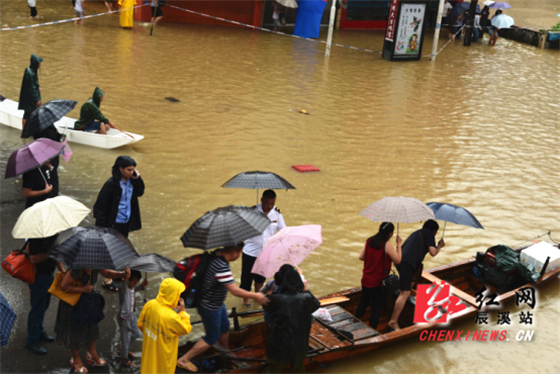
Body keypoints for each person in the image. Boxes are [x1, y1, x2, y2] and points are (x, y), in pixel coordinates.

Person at [177, 244, 269, 372]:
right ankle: (184, 359)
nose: (238, 256)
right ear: (234, 252)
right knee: (211, 337)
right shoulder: (221, 266)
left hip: (217, 303)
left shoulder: (215, 255)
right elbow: (235, 291)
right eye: (239, 253)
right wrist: (256, 295)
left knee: (225, 327)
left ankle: (225, 351)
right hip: (210, 306)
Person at [55, 267, 131, 374]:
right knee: (75, 331)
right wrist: (82, 290)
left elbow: (108, 273)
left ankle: (92, 354)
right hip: (74, 304)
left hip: (87, 301)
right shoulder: (76, 269)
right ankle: (75, 359)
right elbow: (63, 286)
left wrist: (122, 274)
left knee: (92, 326)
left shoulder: (95, 264)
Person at [93, 156, 144, 292]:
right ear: (120, 169)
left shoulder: (132, 182)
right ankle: (107, 279)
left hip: (125, 222)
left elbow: (140, 192)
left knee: (120, 249)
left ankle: (115, 273)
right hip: (113, 223)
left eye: (133, 169)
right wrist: (102, 227)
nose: (131, 172)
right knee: (110, 250)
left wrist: (137, 179)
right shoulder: (111, 184)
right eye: (129, 170)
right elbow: (100, 206)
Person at [388, 220, 445, 331]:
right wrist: (439, 246)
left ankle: (405, 289)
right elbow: (433, 252)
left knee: (418, 271)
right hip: (407, 263)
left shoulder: (418, 232)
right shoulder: (429, 234)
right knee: (405, 293)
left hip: (400, 260)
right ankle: (393, 322)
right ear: (434, 231)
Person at [262, 268, 320, 373]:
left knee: (272, 370)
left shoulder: (278, 299)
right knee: (297, 370)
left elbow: (266, 304)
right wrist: (306, 289)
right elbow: (316, 304)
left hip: (280, 345)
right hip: (300, 344)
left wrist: (270, 294)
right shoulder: (306, 298)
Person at [241, 189, 286, 306]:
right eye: (267, 203)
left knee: (260, 279)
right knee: (246, 279)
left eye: (272, 203)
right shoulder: (252, 212)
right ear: (261, 200)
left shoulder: (277, 213)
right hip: (250, 252)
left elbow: (282, 231)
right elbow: (242, 229)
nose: (270, 206)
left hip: (266, 252)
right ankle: (245, 300)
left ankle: (258, 298)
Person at [138, 278, 192, 374]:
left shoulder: (150, 304)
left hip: (150, 348)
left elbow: (140, 324)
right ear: (173, 295)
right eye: (178, 294)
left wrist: (154, 335)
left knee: (148, 367)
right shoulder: (172, 317)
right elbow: (186, 328)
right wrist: (183, 312)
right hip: (164, 355)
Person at [355, 222, 402, 330]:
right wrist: (399, 244)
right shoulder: (387, 245)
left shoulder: (369, 241)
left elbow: (361, 257)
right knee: (376, 307)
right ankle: (372, 329)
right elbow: (398, 260)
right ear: (390, 234)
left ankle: (357, 320)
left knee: (364, 301)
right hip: (378, 282)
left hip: (366, 279)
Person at [25, 235, 65, 355]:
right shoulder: (35, 238)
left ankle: (39, 331)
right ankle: (32, 340)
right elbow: (33, 259)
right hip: (38, 277)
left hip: (49, 276)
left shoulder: (53, 235)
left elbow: (56, 255)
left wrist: (63, 272)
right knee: (37, 309)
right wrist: (50, 253)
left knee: (44, 306)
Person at [116, 270, 148, 368]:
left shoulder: (131, 287)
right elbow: (124, 286)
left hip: (131, 314)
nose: (135, 284)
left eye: (136, 282)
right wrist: (126, 278)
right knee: (125, 338)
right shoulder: (123, 287)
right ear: (127, 280)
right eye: (133, 282)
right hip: (124, 316)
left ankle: (123, 351)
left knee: (136, 333)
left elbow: (134, 289)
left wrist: (142, 286)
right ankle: (124, 359)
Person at [18, 54, 42, 132]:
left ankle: (30, 128)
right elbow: (31, 88)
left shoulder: (32, 70)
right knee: (27, 113)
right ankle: (24, 130)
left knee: (31, 113)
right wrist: (37, 99)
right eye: (39, 62)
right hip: (29, 98)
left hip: (30, 96)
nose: (40, 64)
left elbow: (35, 82)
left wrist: (38, 86)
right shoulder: (30, 73)